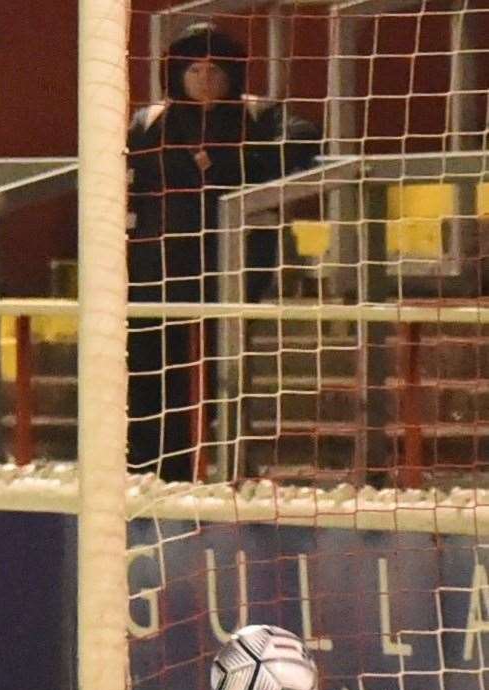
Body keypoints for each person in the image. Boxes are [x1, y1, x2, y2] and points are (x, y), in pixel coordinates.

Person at [126, 21, 320, 480]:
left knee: (217, 373)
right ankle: (151, 471)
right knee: (151, 374)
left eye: (216, 68)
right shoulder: (149, 121)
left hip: (231, 269)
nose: (205, 77)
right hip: (158, 271)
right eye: (195, 68)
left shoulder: (260, 115)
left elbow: (305, 139)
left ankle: (221, 471)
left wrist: (226, 165)